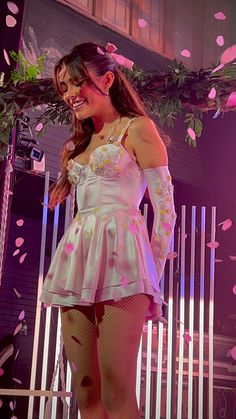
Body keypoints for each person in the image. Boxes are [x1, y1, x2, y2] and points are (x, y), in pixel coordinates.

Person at [40, 42, 176, 419]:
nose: (69, 94)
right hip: (76, 263)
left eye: (76, 83)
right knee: (85, 392)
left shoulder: (138, 129)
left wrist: (152, 281)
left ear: (107, 79)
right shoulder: (75, 145)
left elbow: (166, 213)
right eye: (63, 87)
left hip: (125, 267)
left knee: (118, 389)